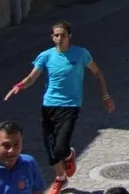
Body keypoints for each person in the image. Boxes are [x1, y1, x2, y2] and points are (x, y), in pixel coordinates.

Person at [4, 22, 115, 194]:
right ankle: (60, 179)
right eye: (56, 35)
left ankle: (68, 155)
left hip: (70, 106)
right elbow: (32, 78)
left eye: (62, 35)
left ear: (69, 36)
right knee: (50, 149)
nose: (59, 38)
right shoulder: (46, 56)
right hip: (48, 106)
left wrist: (105, 96)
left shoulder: (81, 54)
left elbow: (97, 73)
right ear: (52, 37)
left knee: (60, 148)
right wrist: (19, 86)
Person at [0, 121, 44, 194]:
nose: (12, 150)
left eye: (16, 144)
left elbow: (38, 191)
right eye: (6, 145)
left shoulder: (29, 163)